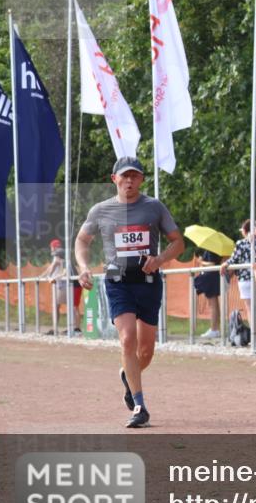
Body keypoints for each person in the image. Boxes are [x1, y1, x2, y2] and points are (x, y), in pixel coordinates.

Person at [75, 156, 184, 428]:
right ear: (114, 179)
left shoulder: (154, 207)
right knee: (127, 340)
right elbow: (82, 240)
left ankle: (128, 374)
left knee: (145, 351)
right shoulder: (101, 210)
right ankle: (139, 405)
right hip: (117, 280)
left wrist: (159, 260)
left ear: (142, 179)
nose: (129, 181)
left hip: (148, 281)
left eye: (134, 176)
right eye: (124, 176)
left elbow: (178, 243)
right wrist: (84, 266)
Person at [220, 219, 256, 325]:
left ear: (245, 231)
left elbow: (233, 259)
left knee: (250, 308)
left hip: (244, 279)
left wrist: (225, 264)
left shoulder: (241, 243)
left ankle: (254, 334)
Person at [40, 238, 83, 333]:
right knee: (64, 305)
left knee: (74, 306)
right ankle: (69, 327)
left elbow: (63, 272)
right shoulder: (63, 261)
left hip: (75, 284)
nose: (56, 258)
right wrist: (45, 276)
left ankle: (77, 328)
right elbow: (53, 267)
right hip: (69, 284)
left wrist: (52, 277)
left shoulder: (65, 262)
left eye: (57, 257)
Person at [193, 248, 223, 339]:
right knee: (214, 305)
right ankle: (215, 329)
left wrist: (201, 262)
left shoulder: (210, 250)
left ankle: (214, 329)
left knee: (213, 305)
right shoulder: (214, 250)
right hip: (213, 277)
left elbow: (212, 264)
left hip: (211, 278)